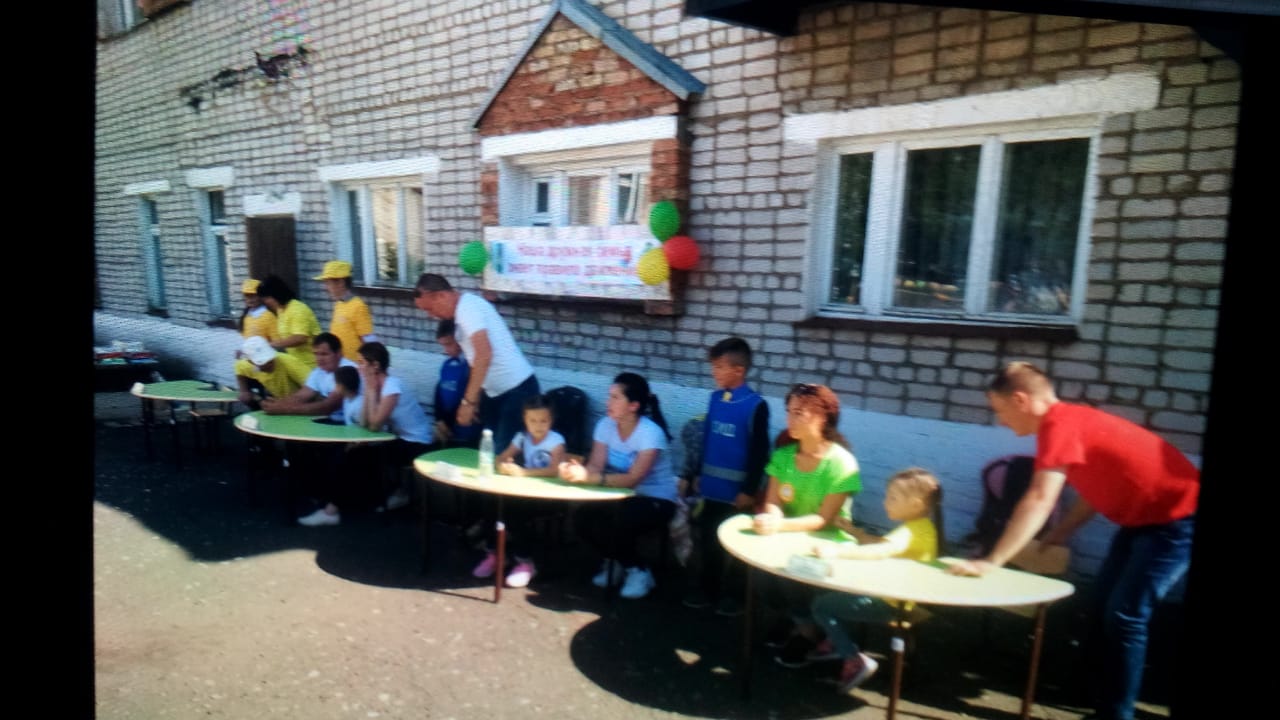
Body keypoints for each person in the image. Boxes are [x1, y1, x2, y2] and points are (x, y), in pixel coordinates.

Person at [947, 361, 1198, 720]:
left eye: (1000, 411)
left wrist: (991, 561)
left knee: (1125, 616)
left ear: (1020, 400)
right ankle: (1091, 691)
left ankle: (1116, 714)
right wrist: (1060, 532)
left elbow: (1039, 498)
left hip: (1178, 521)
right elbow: (1098, 488)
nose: (1000, 421)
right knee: (1101, 605)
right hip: (1143, 522)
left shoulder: (1059, 426)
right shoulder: (1070, 422)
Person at [797, 468, 944, 692]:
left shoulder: (910, 532)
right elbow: (882, 544)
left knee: (821, 606)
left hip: (890, 603)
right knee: (827, 592)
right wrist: (855, 532)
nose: (885, 502)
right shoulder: (922, 527)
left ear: (915, 504)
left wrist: (837, 552)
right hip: (897, 597)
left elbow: (880, 551)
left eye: (892, 498)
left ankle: (852, 658)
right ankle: (835, 640)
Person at [753, 383, 862, 654]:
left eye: (798, 413)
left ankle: (808, 632)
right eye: (789, 411)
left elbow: (824, 519)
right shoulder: (783, 456)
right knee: (759, 571)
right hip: (787, 534)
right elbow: (773, 502)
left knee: (790, 569)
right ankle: (794, 619)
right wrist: (771, 519)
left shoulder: (842, 463)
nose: (789, 419)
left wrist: (779, 525)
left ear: (823, 417)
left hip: (827, 542)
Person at [559, 372, 679, 599]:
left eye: (615, 398)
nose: (608, 402)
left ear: (633, 406)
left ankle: (639, 571)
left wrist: (590, 478)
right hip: (618, 494)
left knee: (619, 519)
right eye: (609, 396)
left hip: (656, 498)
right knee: (583, 518)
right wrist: (576, 472)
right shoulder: (605, 425)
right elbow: (596, 465)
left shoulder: (650, 433)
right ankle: (616, 562)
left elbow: (633, 479)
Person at [296, 342, 433, 527]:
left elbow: (374, 425)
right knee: (345, 452)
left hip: (416, 443)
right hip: (397, 438)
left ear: (375, 365)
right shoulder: (376, 386)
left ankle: (332, 511)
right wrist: (369, 390)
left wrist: (370, 390)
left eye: (361, 362)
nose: (358, 367)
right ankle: (336, 503)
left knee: (355, 456)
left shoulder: (391, 387)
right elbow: (365, 422)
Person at [682, 337, 771, 617]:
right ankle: (708, 591)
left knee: (735, 547)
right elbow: (708, 440)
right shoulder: (715, 399)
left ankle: (734, 597)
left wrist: (749, 490)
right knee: (708, 541)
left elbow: (759, 452)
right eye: (714, 366)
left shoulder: (756, 406)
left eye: (720, 367)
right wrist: (697, 473)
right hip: (711, 489)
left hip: (737, 494)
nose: (714, 372)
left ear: (738, 370)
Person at [412, 273, 540, 453]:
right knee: (487, 453)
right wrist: (477, 397)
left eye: (430, 309)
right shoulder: (461, 313)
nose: (431, 315)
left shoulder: (468, 309)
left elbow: (484, 355)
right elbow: (474, 362)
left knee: (503, 456)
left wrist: (468, 403)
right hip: (495, 393)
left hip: (517, 390)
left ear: (441, 295)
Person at [471, 394, 566, 589]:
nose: (538, 426)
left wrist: (523, 472)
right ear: (525, 419)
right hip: (524, 491)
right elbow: (502, 457)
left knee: (516, 510)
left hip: (549, 495)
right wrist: (503, 464)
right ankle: (495, 554)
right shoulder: (522, 437)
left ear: (551, 420)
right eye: (533, 420)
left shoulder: (556, 441)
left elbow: (554, 470)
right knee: (492, 501)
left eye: (543, 421)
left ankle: (525, 562)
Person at [259, 333, 357, 421]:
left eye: (324, 354)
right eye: (316, 354)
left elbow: (329, 406)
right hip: (333, 420)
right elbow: (300, 396)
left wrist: (283, 409)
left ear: (339, 354)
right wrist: (276, 404)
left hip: (351, 425)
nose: (319, 359)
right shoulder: (319, 371)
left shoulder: (348, 370)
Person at [314, 260, 378, 363]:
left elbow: (369, 341)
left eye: (328, 283)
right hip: (339, 363)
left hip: (353, 365)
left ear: (341, 282)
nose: (326, 288)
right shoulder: (339, 304)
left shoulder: (358, 306)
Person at [431, 319, 481, 449]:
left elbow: (464, 395)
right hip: (447, 428)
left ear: (460, 340)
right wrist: (439, 419)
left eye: (449, 344)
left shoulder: (472, 366)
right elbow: (440, 390)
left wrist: (447, 422)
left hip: (467, 430)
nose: (446, 350)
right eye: (443, 345)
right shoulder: (448, 364)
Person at [257, 274, 322, 369]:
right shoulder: (280, 310)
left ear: (275, 294)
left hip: (311, 365)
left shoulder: (297, 309)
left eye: (267, 298)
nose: (266, 302)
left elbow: (300, 338)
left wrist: (272, 344)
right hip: (296, 364)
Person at [234, 335, 311, 409]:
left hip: (302, 401)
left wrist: (284, 404)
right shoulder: (247, 365)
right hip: (278, 397)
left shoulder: (289, 362)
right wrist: (244, 390)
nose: (269, 363)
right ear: (251, 362)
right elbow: (239, 368)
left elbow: (313, 387)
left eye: (270, 360)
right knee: (247, 398)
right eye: (263, 362)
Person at [238, 278, 277, 345]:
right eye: (247, 295)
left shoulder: (269, 317)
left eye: (253, 295)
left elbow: (277, 341)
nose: (250, 299)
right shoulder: (246, 316)